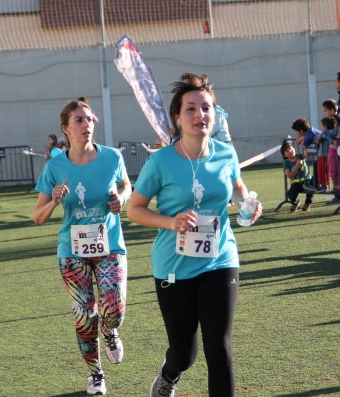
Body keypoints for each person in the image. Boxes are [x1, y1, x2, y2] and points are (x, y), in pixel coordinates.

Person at [127, 73, 262, 397]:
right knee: (184, 354)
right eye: (190, 108)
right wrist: (171, 222)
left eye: (205, 107)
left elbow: (239, 194)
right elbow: (134, 210)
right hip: (173, 266)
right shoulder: (160, 162)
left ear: (214, 114)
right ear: (177, 117)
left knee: (219, 348)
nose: (199, 115)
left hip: (220, 260)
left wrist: (247, 207)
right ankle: (169, 375)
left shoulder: (225, 155)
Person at [32, 98, 132, 395]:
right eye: (79, 120)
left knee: (113, 309)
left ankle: (110, 329)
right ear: (66, 129)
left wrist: (121, 198)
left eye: (89, 119)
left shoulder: (112, 157)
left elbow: (127, 185)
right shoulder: (55, 166)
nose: (86, 125)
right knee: (84, 314)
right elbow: (37, 217)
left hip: (110, 245)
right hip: (72, 252)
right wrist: (53, 200)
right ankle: (96, 374)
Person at [280, 139, 314, 212]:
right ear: (284, 155)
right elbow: (289, 175)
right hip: (296, 183)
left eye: (290, 148)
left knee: (311, 189)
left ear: (293, 148)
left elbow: (306, 152)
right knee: (290, 194)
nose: (290, 151)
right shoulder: (286, 163)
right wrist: (297, 165)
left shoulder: (300, 156)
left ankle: (307, 203)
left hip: (306, 181)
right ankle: (296, 202)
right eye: (286, 151)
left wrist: (304, 141)